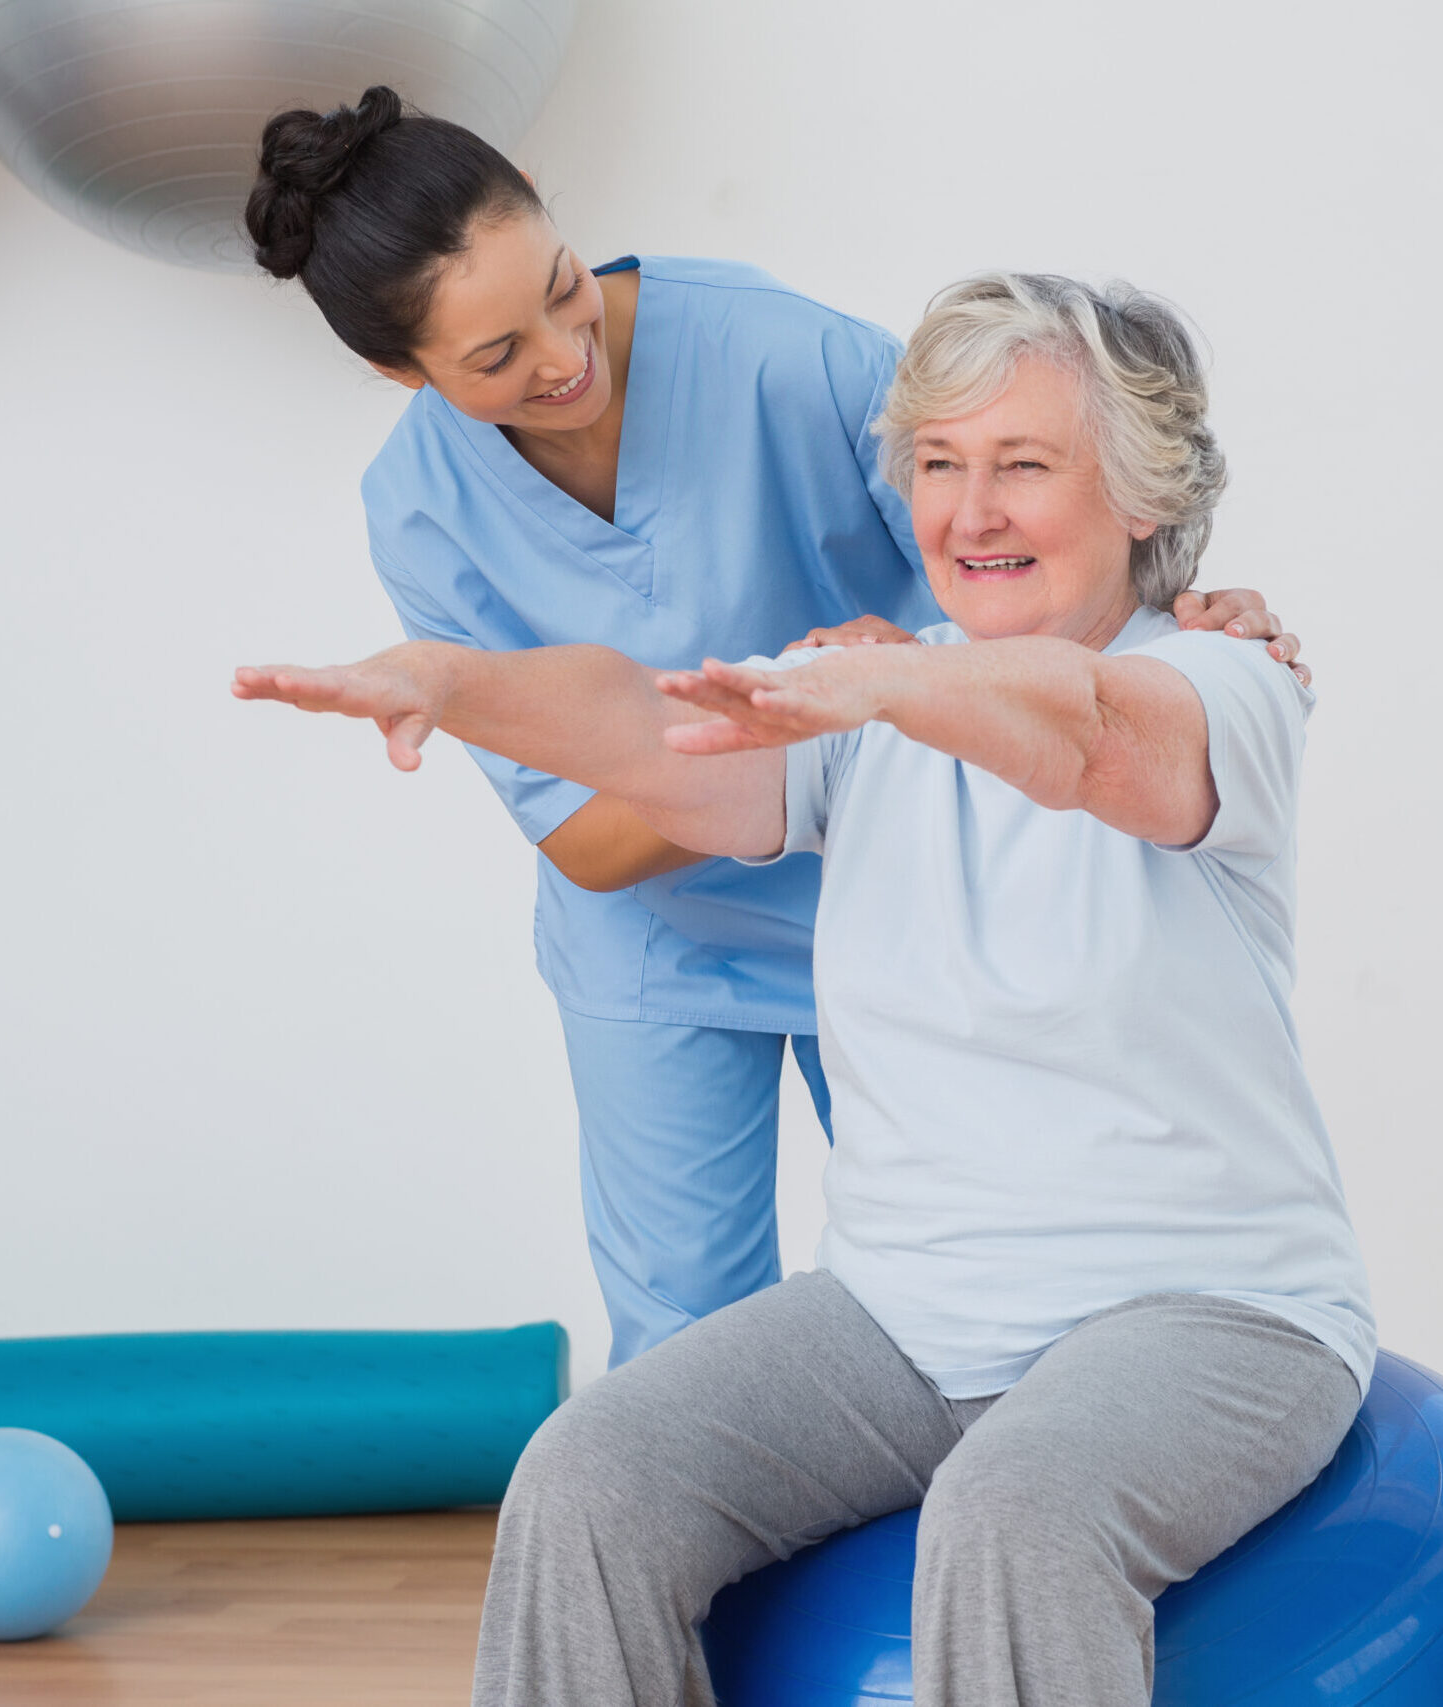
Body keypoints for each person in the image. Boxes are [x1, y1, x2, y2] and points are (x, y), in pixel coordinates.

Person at [233, 271, 1371, 1706]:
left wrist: (894, 686)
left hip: (1210, 1310)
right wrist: (452, 680)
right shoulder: (872, 691)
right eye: (941, 466)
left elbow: (1091, 739)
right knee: (590, 1473)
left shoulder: (1218, 679)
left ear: (1141, 494)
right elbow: (644, 728)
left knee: (1015, 1510)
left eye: (1023, 465)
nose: (966, 512)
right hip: (904, 1315)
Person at [244, 86, 1305, 1369]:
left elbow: (1027, 551)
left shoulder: (783, 356)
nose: (562, 352)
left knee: (975, 1316)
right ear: (394, 373)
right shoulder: (418, 507)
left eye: (562, 285)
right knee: (686, 1352)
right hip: (661, 950)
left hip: (918, 897)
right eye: (494, 358)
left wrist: (1180, 610)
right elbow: (581, 837)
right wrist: (782, 737)